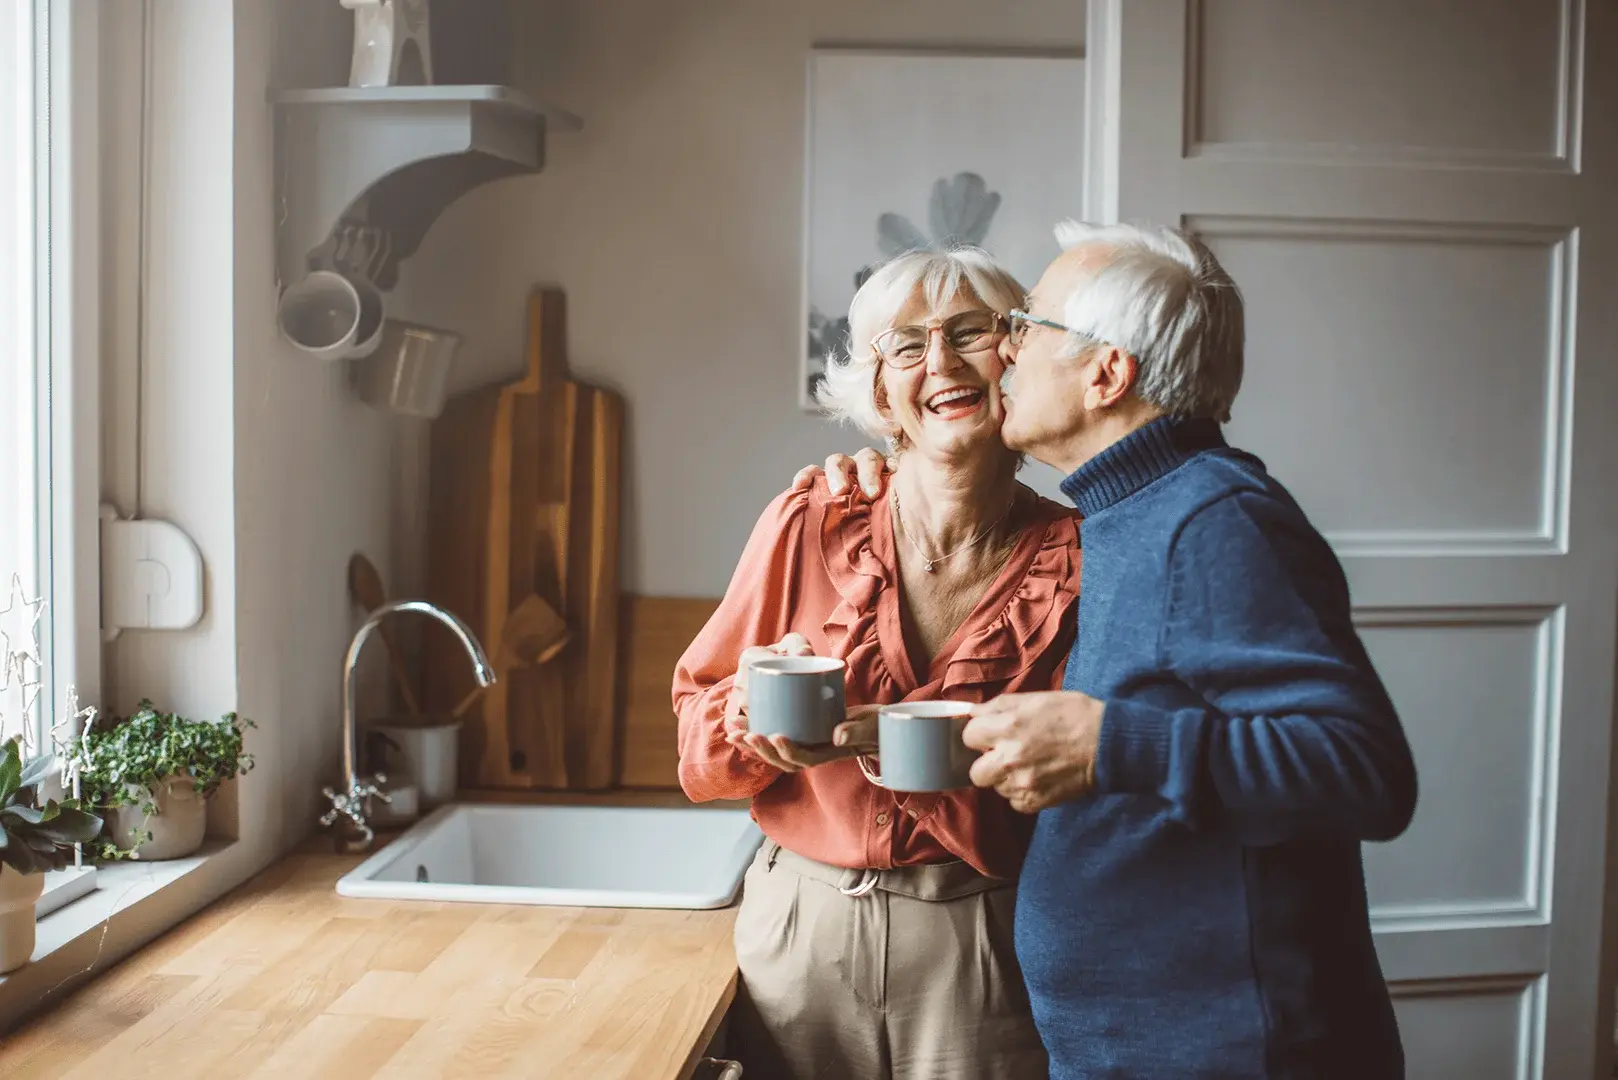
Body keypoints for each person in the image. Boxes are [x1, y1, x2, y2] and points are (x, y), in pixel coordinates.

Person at [810, 221, 1420, 1079]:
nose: (1006, 354)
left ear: (1106, 372)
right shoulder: (1131, 515)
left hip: (1232, 1054)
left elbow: (1366, 773)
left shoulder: (1217, 522)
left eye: (1028, 329)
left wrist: (1107, 746)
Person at [673, 247, 1084, 1079]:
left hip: (982, 939)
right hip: (801, 929)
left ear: (1014, 356)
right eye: (905, 345)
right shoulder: (809, 518)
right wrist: (744, 716)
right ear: (882, 393)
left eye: (969, 331)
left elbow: (1081, 789)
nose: (939, 362)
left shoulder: (1079, 558)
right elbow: (696, 749)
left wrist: (882, 738)